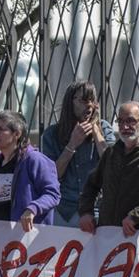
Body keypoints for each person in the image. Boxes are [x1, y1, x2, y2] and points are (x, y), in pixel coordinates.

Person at [77, 102, 139, 236]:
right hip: (106, 236)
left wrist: (136, 216)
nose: (125, 127)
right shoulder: (111, 154)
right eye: (120, 121)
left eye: (130, 121)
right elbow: (91, 185)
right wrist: (85, 212)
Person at [40, 82, 104, 226]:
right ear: (70, 102)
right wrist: (72, 144)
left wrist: (96, 132)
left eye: (91, 100)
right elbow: (52, 175)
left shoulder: (103, 129)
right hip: (65, 211)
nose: (88, 105)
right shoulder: (51, 135)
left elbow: (111, 164)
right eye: (83, 100)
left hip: (95, 209)